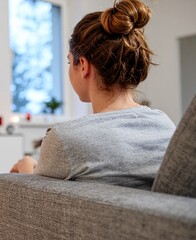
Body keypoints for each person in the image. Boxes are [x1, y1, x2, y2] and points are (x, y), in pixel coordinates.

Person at [10, 0, 176, 190]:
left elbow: (35, 198)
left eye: (68, 62)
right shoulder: (165, 125)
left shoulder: (64, 139)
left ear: (83, 65)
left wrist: (26, 167)